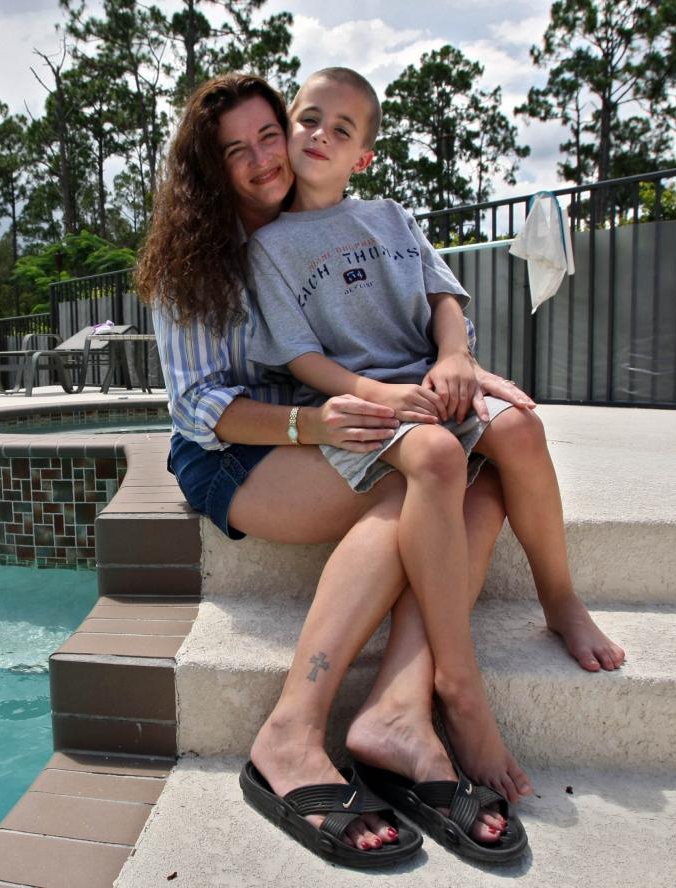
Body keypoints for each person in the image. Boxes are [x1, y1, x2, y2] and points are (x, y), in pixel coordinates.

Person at [136, 73, 532, 867]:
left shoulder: (315, 221)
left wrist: (458, 363)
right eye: (234, 150)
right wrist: (306, 422)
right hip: (236, 450)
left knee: (476, 484)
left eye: (268, 135)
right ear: (208, 168)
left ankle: (399, 711)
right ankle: (291, 732)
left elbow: (406, 301)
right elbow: (194, 409)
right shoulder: (193, 264)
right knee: (423, 481)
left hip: (329, 428)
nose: (260, 160)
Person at [243, 66, 625, 820]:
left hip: (432, 380)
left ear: (364, 157)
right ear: (288, 127)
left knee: (520, 428)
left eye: (342, 129)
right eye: (309, 119)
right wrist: (385, 395)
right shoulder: (270, 246)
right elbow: (300, 361)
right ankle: (456, 683)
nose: (320, 135)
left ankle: (560, 598)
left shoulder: (389, 215)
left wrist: (456, 361)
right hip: (360, 403)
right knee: (439, 457)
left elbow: (445, 300)